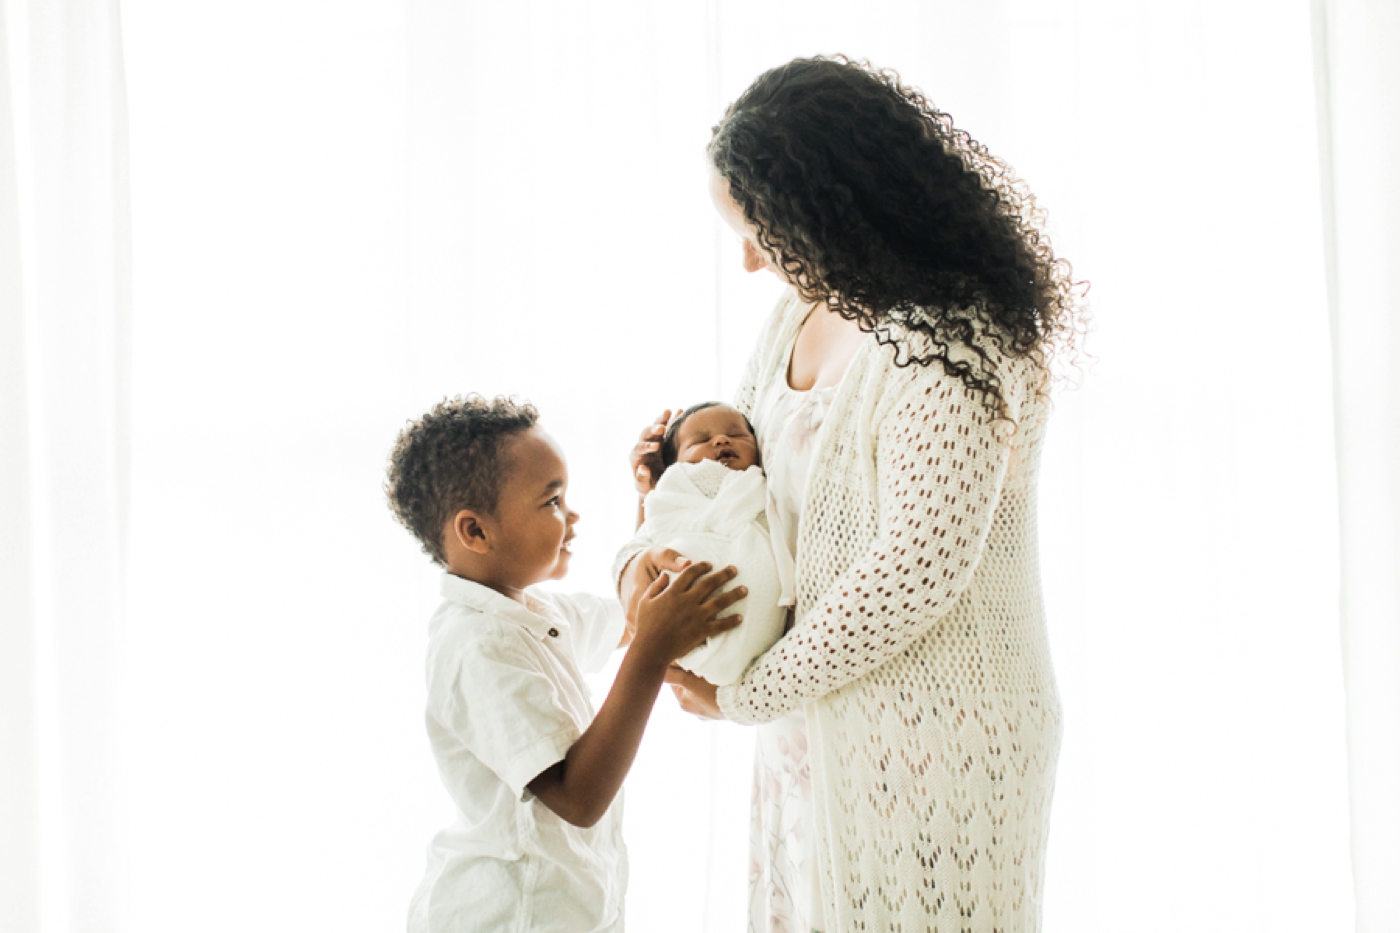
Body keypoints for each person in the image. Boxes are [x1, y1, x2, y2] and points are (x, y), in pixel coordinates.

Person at [618, 56, 1084, 933]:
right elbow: (769, 498)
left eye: (759, 229)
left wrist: (746, 696)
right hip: (814, 727)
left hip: (936, 742)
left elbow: (914, 570)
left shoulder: (956, 339)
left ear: (834, 206)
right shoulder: (798, 313)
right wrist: (675, 493)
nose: (752, 260)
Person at [384, 394, 746, 933]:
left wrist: (654, 504)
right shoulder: (475, 644)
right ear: (476, 532)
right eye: (552, 501)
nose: (572, 516)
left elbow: (631, 616)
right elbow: (577, 798)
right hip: (511, 916)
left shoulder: (530, 611)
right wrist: (651, 649)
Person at [631, 402, 792, 685]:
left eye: (738, 435)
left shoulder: (760, 485)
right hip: (686, 608)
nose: (721, 440)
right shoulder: (676, 486)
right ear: (673, 465)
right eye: (701, 440)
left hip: (770, 640)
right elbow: (659, 525)